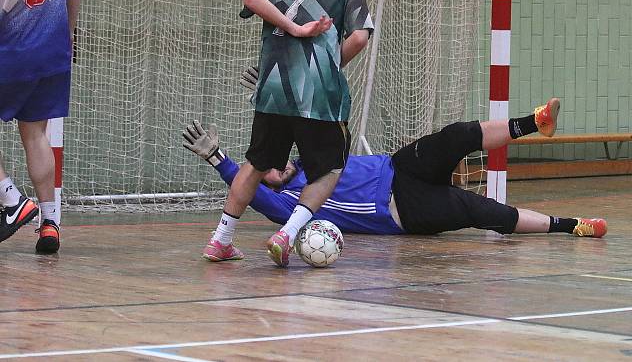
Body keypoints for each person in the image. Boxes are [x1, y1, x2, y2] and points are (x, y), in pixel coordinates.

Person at [184, 97, 606, 262]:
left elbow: (304, 121)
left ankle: (534, 122)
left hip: (400, 168)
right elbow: (254, 193)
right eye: (267, 171)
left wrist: (272, 94)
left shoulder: (310, 159)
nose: (276, 167)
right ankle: (572, 225)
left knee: (456, 135)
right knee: (486, 212)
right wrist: (220, 160)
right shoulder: (292, 207)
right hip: (404, 211)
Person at [206, 0, 373, 266]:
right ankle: (288, 233)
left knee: (256, 164)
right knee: (329, 170)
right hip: (319, 97)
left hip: (272, 90)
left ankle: (220, 240)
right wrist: (329, 64)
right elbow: (358, 38)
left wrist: (293, 28)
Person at [0, 0, 84, 253]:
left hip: (13, 54)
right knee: (36, 134)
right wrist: (69, 35)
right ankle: (50, 222)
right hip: (54, 52)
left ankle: (11, 199)